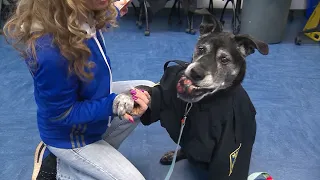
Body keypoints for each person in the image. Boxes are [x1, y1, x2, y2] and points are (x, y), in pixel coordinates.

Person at [3, 0, 154, 179]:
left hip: (88, 103)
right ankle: (64, 171)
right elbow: (62, 114)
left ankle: (91, 160)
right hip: (69, 138)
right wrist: (112, 105)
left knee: (146, 91)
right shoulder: (50, 53)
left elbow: (95, 19)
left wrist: (115, 9)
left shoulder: (80, 15)